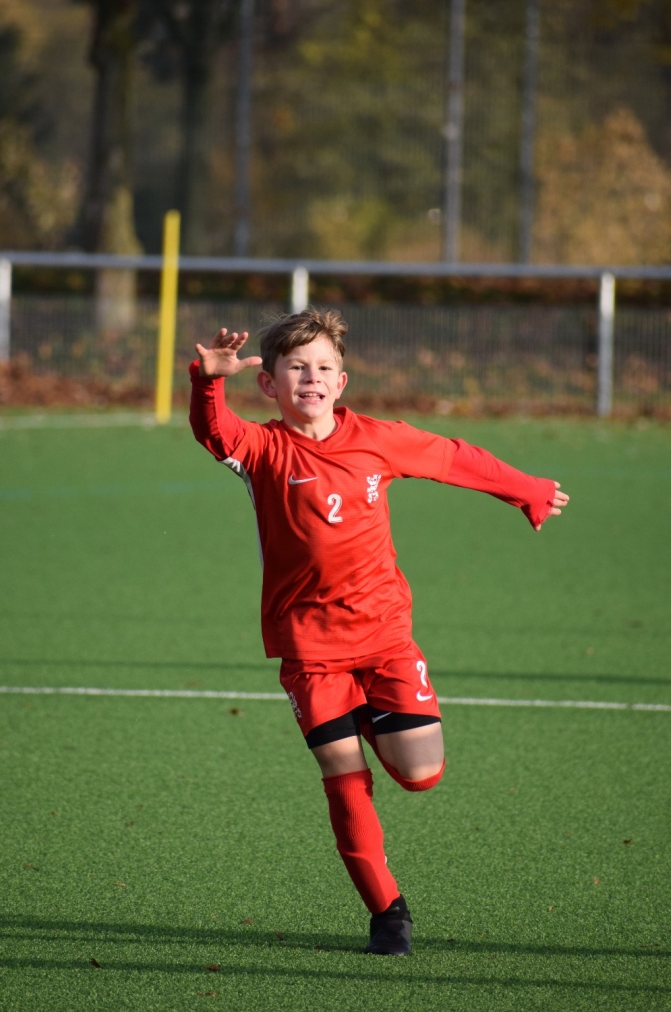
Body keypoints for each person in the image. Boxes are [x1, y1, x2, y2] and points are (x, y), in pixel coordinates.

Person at [189, 308, 568, 956]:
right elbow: (214, 430)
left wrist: (524, 490)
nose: (311, 378)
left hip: (385, 637)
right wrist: (208, 381)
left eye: (323, 368)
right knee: (343, 775)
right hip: (310, 649)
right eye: (296, 368)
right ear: (269, 384)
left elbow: (452, 457)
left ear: (342, 382)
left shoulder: (377, 439)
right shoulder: (263, 449)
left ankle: (367, 713)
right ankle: (388, 915)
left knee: (420, 773)